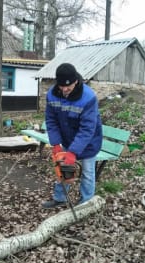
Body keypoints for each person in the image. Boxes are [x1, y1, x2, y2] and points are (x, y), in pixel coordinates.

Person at [42, 63, 103, 208]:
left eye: (68, 86)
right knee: (63, 169)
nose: (64, 89)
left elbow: (87, 129)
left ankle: (85, 204)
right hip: (67, 139)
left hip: (89, 141)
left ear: (76, 81)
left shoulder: (88, 97)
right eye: (61, 85)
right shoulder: (52, 94)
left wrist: (73, 152)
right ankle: (60, 198)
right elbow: (51, 120)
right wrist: (56, 143)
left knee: (88, 173)